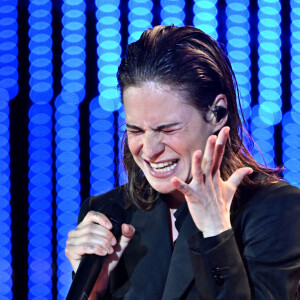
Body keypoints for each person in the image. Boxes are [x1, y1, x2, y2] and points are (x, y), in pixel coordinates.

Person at [65, 25, 300, 299]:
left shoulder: (276, 210)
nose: (150, 150)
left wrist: (215, 232)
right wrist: (94, 293)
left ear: (217, 113)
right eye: (136, 131)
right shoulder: (108, 214)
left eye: (167, 129)